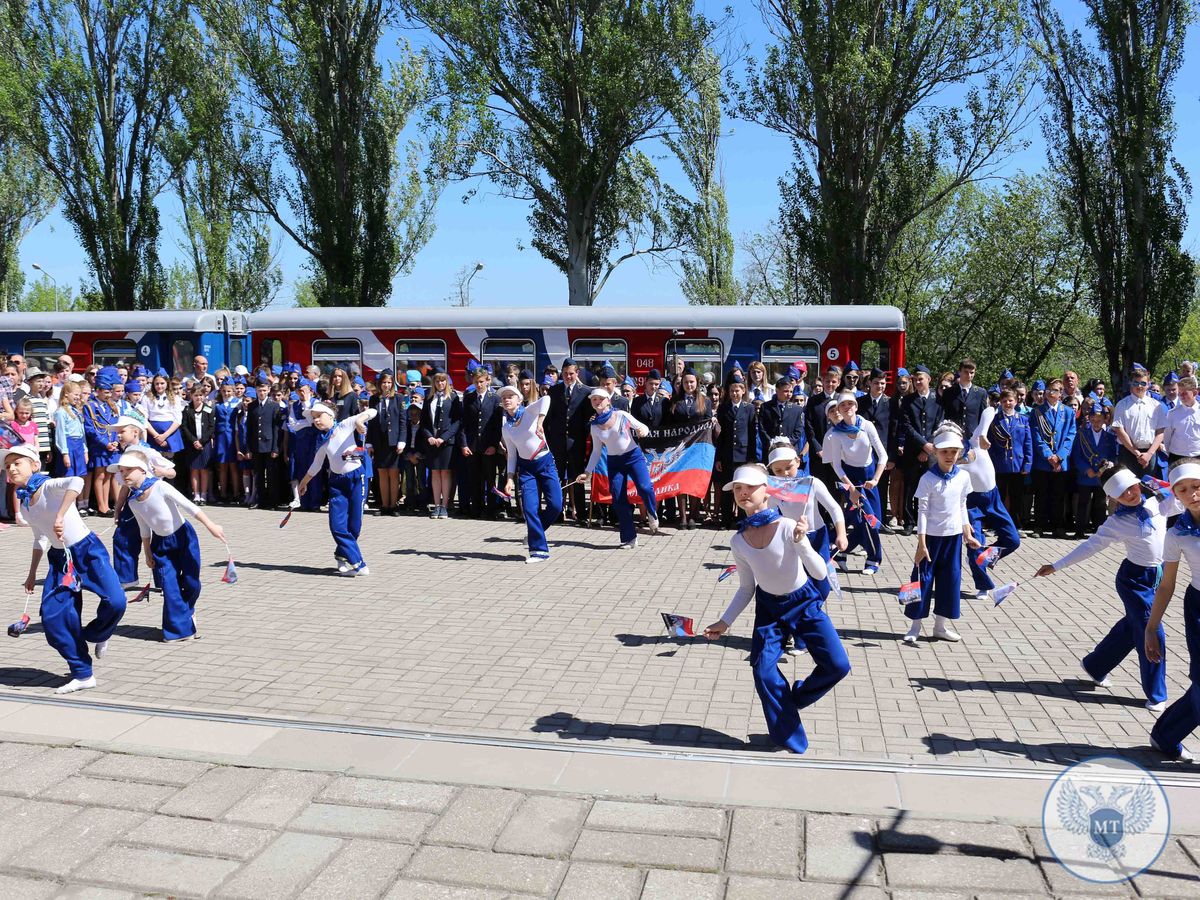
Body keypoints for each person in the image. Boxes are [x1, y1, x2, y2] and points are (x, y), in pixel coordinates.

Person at [703, 463, 850, 753]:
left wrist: (803, 543)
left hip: (804, 602)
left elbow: (820, 574)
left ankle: (792, 699)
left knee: (838, 665)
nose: (743, 493)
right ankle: (788, 736)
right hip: (769, 609)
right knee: (762, 671)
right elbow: (747, 587)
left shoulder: (786, 527)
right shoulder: (738, 540)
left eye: (749, 488)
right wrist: (725, 621)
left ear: (767, 492)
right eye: (738, 490)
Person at [1036, 466, 1177, 711]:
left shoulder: (1158, 503)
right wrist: (1056, 565)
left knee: (1131, 627)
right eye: (1123, 493)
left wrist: (1154, 481)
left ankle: (1095, 665)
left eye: (1132, 487)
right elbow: (1089, 547)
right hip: (1134, 581)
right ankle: (1157, 694)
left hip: (1159, 577)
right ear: (1113, 498)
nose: (1131, 494)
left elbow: (1184, 498)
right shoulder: (1117, 522)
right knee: (1152, 631)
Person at [7, 444, 127, 694]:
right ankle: (83, 673)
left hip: (87, 549)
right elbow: (40, 537)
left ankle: (99, 633)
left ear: (35, 465)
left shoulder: (49, 486)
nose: (11, 468)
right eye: (8, 465)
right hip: (60, 559)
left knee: (116, 602)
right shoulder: (27, 503)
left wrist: (61, 515)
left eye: (17, 462)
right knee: (53, 618)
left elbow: (76, 482)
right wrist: (31, 574)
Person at [112, 449, 225, 642]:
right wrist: (147, 552)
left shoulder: (160, 487)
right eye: (121, 471)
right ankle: (178, 631)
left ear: (142, 469)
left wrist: (211, 525)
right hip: (160, 545)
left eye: (128, 470)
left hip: (184, 537)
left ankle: (187, 612)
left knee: (191, 583)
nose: (124, 475)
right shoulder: (133, 502)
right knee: (170, 586)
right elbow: (144, 529)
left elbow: (189, 505)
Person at [903, 424, 980, 645]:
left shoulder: (963, 477)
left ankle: (940, 626)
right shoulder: (928, 479)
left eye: (954, 452)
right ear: (935, 452)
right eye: (944, 451)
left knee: (950, 580)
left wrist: (967, 532)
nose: (949, 456)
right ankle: (915, 625)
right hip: (931, 540)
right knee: (921, 579)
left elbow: (962, 505)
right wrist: (921, 543)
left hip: (953, 538)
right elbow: (922, 511)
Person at [1145, 460, 1200, 760]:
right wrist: (1151, 627)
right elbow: (1166, 585)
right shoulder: (1177, 534)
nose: (1192, 494)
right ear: (1175, 495)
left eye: (1196, 486)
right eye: (1183, 490)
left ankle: (1165, 734)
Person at [298, 402, 377, 575]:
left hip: (357, 478)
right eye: (314, 418)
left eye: (319, 416)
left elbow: (372, 411)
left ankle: (341, 556)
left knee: (354, 526)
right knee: (337, 525)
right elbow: (316, 466)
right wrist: (303, 484)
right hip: (337, 483)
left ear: (330, 416)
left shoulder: (344, 425)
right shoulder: (322, 441)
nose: (316, 420)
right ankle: (359, 563)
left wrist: (359, 420)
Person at [766, 440, 848, 600]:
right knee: (798, 581)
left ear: (798, 461)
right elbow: (769, 515)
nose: (785, 473)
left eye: (789, 468)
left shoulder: (812, 483)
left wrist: (841, 534)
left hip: (817, 537)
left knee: (821, 583)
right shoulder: (774, 490)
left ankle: (815, 607)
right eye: (778, 470)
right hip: (792, 538)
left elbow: (834, 508)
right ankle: (805, 612)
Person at [579, 388, 659, 548]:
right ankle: (630, 538)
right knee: (618, 498)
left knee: (645, 487)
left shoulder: (621, 415)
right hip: (615, 462)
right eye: (594, 399)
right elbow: (596, 451)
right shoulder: (594, 426)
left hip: (633, 457)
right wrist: (587, 472)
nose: (597, 401)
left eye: (600, 398)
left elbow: (642, 427)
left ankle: (652, 512)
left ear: (608, 400)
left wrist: (643, 430)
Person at [960, 407, 1021, 600]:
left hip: (993, 498)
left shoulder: (976, 440)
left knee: (1012, 540)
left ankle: (984, 560)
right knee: (973, 545)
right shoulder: (952, 461)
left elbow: (988, 410)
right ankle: (983, 584)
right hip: (972, 503)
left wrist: (984, 434)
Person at [824, 392, 887, 575]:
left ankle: (839, 551)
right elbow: (836, 465)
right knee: (863, 521)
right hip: (850, 480)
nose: (847, 408)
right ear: (839, 410)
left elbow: (882, 455)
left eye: (851, 404)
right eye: (843, 405)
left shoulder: (867, 426)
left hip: (870, 479)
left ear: (856, 406)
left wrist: (875, 479)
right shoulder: (836, 434)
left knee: (874, 521)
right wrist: (850, 488)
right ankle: (873, 560)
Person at [499, 384, 561, 563]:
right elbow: (512, 454)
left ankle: (535, 532)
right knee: (530, 508)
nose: (507, 399)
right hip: (526, 469)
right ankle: (538, 551)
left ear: (519, 399)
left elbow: (547, 399)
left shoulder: (529, 412)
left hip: (545, 462)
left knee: (556, 505)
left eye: (511, 396)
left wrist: (540, 421)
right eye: (504, 397)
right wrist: (510, 478)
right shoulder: (506, 427)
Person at [546, 359, 593, 523]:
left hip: (576, 443)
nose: (568, 376)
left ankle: (580, 513)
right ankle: (557, 512)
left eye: (571, 373)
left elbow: (588, 420)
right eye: (565, 373)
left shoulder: (585, 392)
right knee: (557, 478)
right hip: (557, 443)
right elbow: (548, 418)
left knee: (576, 478)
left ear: (577, 374)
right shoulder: (554, 390)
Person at [899, 365, 943, 536]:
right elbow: (907, 426)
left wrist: (928, 447)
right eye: (915, 379)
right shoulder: (908, 400)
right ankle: (909, 522)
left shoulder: (938, 400)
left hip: (931, 452)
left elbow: (939, 424)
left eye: (920, 379)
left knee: (931, 488)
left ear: (929, 380)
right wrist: (923, 445)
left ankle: (926, 521)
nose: (917, 382)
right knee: (910, 487)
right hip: (913, 451)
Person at [1030, 378, 1076, 538]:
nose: (1050, 393)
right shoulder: (1037, 411)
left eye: (1055, 390)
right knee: (1041, 495)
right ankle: (1039, 526)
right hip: (1044, 462)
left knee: (1059, 495)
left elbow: (1071, 435)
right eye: (1049, 389)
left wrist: (1060, 456)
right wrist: (1049, 456)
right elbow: (1036, 436)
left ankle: (1058, 526)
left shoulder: (1068, 412)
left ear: (1061, 393)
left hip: (1061, 462)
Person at [458, 366, 501, 519]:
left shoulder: (494, 398)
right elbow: (464, 424)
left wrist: (494, 445)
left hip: (488, 446)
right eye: (476, 382)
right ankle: (476, 509)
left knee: (490, 479)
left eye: (481, 382)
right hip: (472, 445)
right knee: (474, 479)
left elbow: (497, 426)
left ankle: (491, 510)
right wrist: (464, 444)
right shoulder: (468, 398)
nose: (479, 385)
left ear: (487, 381)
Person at [715, 373, 756, 527]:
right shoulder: (723, 408)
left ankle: (741, 519)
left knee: (742, 489)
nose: (734, 394)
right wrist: (719, 457)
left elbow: (752, 434)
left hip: (743, 455)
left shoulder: (749, 408)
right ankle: (726, 519)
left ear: (743, 391)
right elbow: (720, 435)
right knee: (728, 488)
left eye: (737, 390)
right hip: (727, 454)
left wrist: (751, 458)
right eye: (732, 391)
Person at [419, 368, 461, 519]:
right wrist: (429, 436)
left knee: (446, 472)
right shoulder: (429, 398)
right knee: (435, 472)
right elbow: (423, 421)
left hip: (447, 442)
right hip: (432, 442)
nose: (440, 383)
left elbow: (457, 421)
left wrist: (444, 437)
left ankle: (445, 505)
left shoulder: (453, 397)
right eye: (437, 381)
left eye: (443, 381)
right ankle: (436, 506)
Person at [1071, 401, 1117, 538]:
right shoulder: (1082, 434)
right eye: (1093, 420)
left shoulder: (1109, 437)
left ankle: (1099, 530)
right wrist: (1086, 469)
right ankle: (1079, 530)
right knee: (1083, 503)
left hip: (1101, 476)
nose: (1096, 423)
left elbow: (1112, 455)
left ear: (1104, 420)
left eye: (1099, 420)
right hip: (1086, 475)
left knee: (1100, 503)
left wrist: (1107, 466)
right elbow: (1077, 455)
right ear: (1089, 419)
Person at [1111, 365, 1163, 478]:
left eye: (1143, 383)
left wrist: (1149, 454)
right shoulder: (1122, 405)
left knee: (1148, 488)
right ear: (1130, 383)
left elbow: (1160, 432)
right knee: (1128, 489)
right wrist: (1136, 453)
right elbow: (1120, 431)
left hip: (1150, 453)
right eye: (1136, 383)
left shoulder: (1156, 406)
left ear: (1148, 385)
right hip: (1128, 452)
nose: (1139, 386)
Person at [369, 370, 408, 517]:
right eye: (384, 382)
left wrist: (402, 441)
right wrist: (369, 443)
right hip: (380, 441)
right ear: (380, 384)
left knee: (393, 473)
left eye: (389, 382)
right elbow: (371, 422)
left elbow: (403, 422)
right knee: (382, 474)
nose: (386, 385)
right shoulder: (374, 399)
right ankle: (385, 505)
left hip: (394, 441)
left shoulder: (398, 398)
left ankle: (393, 505)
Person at [180, 383, 215, 504]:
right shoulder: (187, 409)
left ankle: (204, 494)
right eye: (196, 395)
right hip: (192, 444)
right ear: (191, 395)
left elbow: (211, 427)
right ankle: (196, 494)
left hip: (204, 444)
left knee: (204, 469)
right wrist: (194, 440)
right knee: (194, 469)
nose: (198, 398)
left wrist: (202, 441)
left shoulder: (208, 408)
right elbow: (184, 427)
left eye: (201, 395)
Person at [939, 358, 988, 437]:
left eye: (972, 373)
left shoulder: (980, 393)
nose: (969, 375)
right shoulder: (948, 392)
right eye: (966, 372)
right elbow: (945, 416)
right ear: (959, 372)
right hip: (953, 436)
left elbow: (983, 417)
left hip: (973, 437)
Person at [1161, 375, 1200, 465]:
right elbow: (1167, 437)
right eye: (1180, 393)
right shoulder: (1172, 413)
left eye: (1185, 393)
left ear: (1195, 393)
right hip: (1177, 457)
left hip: (1197, 456)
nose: (1181, 396)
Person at [145, 372, 184, 458]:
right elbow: (144, 418)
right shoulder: (147, 398)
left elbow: (178, 419)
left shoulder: (175, 398)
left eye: (162, 383)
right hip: (153, 432)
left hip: (170, 432)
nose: (159, 386)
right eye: (157, 384)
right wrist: (156, 436)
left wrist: (164, 436)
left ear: (167, 383)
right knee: (154, 459)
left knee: (168, 460)